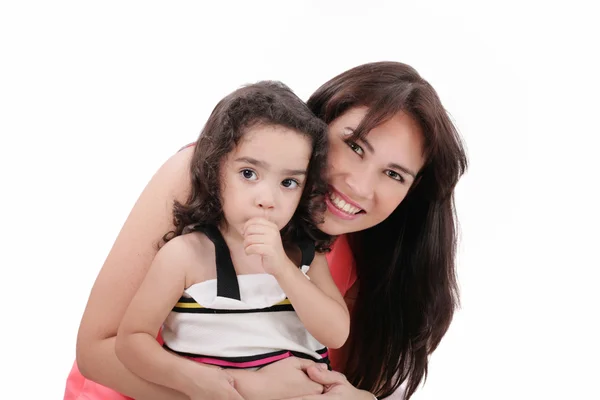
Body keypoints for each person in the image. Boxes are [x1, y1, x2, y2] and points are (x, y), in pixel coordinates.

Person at [67, 61, 468, 400]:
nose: (359, 186)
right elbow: (97, 351)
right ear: (317, 126)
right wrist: (245, 390)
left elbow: (313, 374)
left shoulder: (365, 252)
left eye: (394, 174)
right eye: (355, 146)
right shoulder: (207, 177)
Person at [114, 80, 350, 400]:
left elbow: (335, 334)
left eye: (288, 182)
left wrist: (283, 268)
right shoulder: (185, 255)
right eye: (249, 174)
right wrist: (199, 380)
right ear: (216, 170)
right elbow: (131, 341)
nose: (267, 198)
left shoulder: (305, 255)